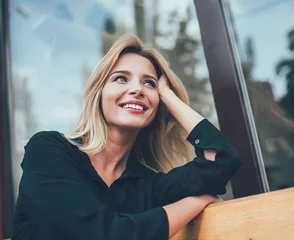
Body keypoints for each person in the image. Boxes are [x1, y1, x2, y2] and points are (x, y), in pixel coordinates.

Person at [11, 34, 241, 240]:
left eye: (148, 83)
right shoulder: (49, 151)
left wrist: (169, 97)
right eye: (121, 78)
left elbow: (222, 159)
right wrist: (196, 202)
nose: (137, 89)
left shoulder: (148, 185)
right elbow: (106, 235)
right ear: (99, 93)